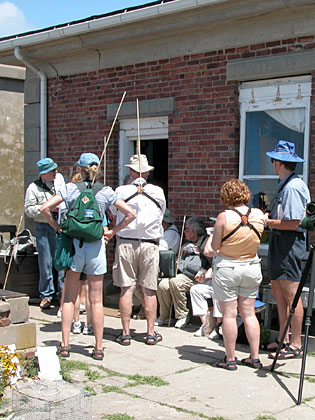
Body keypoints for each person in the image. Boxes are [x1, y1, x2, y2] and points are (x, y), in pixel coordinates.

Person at [40, 152, 136, 360]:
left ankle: (65, 345)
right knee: (96, 301)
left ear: (79, 169)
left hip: (74, 246)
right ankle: (99, 347)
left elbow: (44, 208)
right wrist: (113, 230)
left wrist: (57, 227)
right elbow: (131, 214)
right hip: (96, 247)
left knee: (68, 298)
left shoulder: (70, 188)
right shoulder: (106, 191)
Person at [204, 179, 264, 371]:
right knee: (249, 313)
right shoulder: (258, 214)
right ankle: (254, 357)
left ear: (226, 196)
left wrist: (212, 238)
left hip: (229, 267)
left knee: (229, 315)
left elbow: (214, 248)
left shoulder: (224, 216)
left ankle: (230, 359)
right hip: (252, 266)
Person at [111, 154, 166, 346]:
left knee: (127, 288)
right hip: (150, 244)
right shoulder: (158, 192)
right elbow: (161, 213)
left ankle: (126, 333)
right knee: (149, 289)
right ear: (148, 172)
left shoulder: (120, 191)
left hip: (126, 241)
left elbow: (113, 212)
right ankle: (150, 332)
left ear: (132, 171)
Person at [264, 140, 310, 359]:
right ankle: (283, 338)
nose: (272, 164)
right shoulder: (287, 183)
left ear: (278, 163)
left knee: (291, 295)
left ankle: (295, 344)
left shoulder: (292, 187)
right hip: (280, 241)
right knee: (279, 293)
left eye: (273, 160)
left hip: (289, 242)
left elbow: (293, 223)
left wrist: (266, 222)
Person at [24, 158, 65, 309]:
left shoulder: (60, 183)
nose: (56, 172)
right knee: (45, 262)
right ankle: (46, 295)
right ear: (44, 173)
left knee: (60, 261)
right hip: (43, 227)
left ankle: (62, 293)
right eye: (52, 170)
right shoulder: (33, 188)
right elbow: (28, 210)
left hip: (59, 226)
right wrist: (47, 207)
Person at [155, 216, 210, 328]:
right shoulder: (186, 244)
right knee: (163, 285)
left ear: (195, 232)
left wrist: (198, 251)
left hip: (197, 276)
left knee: (176, 282)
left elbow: (210, 258)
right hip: (182, 274)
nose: (184, 232)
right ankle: (165, 316)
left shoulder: (206, 242)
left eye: (187, 230)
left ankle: (182, 315)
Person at [190, 267, 222, 338]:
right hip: (213, 282)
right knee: (195, 290)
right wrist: (205, 276)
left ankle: (218, 326)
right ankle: (206, 325)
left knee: (217, 292)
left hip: (224, 283)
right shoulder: (213, 258)